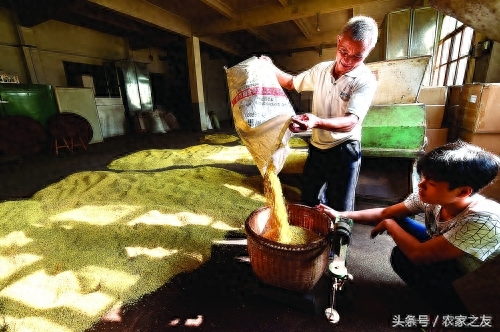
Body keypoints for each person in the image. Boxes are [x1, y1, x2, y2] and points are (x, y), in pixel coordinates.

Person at [317, 141, 500, 313]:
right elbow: (385, 213)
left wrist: (390, 224)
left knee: (403, 257)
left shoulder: (483, 221)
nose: (420, 185)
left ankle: (451, 312)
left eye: (431, 183)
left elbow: (418, 254)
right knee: (397, 220)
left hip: (475, 280)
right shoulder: (432, 196)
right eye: (423, 178)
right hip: (452, 251)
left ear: (463, 191)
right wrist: (341, 215)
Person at [264, 15, 379, 211]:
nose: (348, 61)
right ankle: (313, 237)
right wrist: (269, 67)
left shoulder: (365, 80)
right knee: (308, 199)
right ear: (338, 40)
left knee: (340, 209)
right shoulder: (321, 70)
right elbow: (292, 83)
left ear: (368, 52)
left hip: (345, 149)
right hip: (318, 147)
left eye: (357, 56)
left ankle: (338, 240)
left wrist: (316, 122)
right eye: (343, 51)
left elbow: (351, 122)